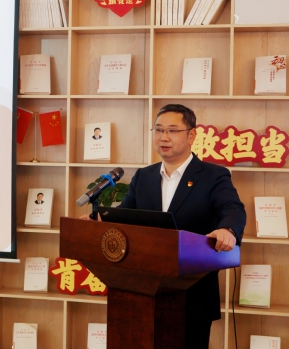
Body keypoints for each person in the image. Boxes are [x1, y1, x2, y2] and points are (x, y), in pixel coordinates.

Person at [85, 104, 246, 349]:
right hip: (142, 291)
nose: (164, 137)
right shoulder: (144, 176)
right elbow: (126, 217)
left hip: (192, 294)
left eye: (172, 130)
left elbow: (233, 208)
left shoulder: (213, 175)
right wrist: (99, 223)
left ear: (191, 135)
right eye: (158, 130)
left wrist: (228, 230)